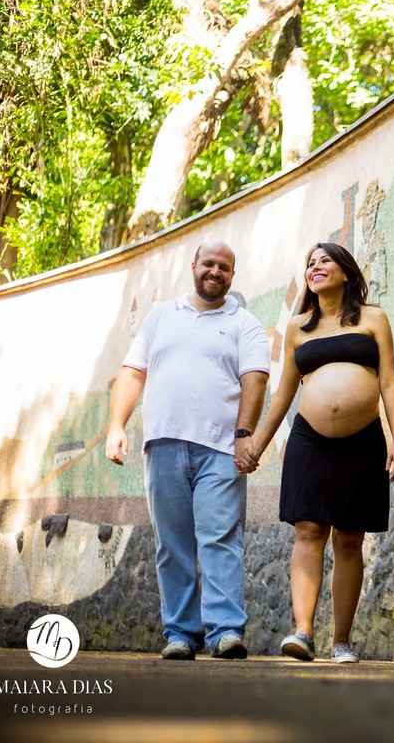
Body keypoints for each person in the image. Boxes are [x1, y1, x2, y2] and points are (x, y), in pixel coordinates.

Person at [105, 242, 269, 661]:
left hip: (219, 449)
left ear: (233, 276)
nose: (215, 272)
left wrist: (244, 434)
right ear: (193, 266)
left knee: (219, 539)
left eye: (225, 267)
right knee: (172, 543)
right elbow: (132, 373)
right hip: (162, 444)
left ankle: (224, 632)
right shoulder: (161, 317)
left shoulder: (244, 323)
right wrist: (116, 425)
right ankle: (180, 633)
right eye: (209, 264)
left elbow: (255, 380)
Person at [248, 241, 394, 664]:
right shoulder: (299, 327)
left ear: (346, 271)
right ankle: (302, 632)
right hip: (310, 441)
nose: (316, 267)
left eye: (325, 261)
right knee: (309, 531)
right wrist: (257, 447)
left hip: (363, 440)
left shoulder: (373, 318)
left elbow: (388, 382)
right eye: (311, 263)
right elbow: (282, 394)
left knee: (350, 539)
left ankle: (340, 640)